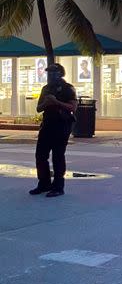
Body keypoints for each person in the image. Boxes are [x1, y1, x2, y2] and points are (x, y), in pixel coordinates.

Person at [30, 63, 77, 197]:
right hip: (47, 124)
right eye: (48, 73)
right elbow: (39, 108)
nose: (50, 75)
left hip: (62, 125)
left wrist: (56, 102)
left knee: (58, 156)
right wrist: (46, 103)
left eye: (53, 73)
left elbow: (73, 107)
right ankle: (44, 183)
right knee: (40, 155)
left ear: (60, 74)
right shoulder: (46, 89)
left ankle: (58, 186)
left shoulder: (68, 88)